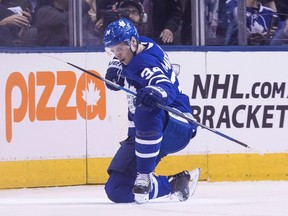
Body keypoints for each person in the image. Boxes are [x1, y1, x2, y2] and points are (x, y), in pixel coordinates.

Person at [103, 18, 199, 204]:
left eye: (119, 49)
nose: (117, 55)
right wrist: (115, 66)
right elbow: (133, 56)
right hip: (150, 127)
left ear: (132, 42)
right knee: (116, 189)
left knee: (146, 107)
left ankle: (144, 176)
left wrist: (155, 93)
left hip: (176, 122)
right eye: (112, 51)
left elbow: (166, 87)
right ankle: (175, 184)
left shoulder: (144, 63)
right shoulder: (141, 44)